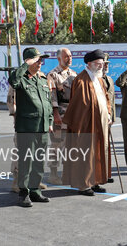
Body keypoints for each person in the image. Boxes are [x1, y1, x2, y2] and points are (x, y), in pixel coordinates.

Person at [9, 48, 54, 207]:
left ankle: (35, 191)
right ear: (29, 61)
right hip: (27, 127)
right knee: (26, 161)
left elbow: (47, 103)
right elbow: (13, 81)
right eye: (37, 60)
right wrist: (24, 65)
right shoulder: (21, 78)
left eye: (41, 60)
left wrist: (49, 121)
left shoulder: (42, 79)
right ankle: (24, 192)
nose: (41, 63)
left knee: (39, 161)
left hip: (42, 127)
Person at [63, 49, 112, 195]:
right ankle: (84, 185)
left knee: (99, 151)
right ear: (89, 63)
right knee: (87, 153)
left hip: (101, 123)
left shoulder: (100, 80)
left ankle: (96, 181)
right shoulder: (81, 80)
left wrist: (108, 113)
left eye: (102, 64)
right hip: (86, 124)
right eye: (98, 64)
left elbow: (106, 99)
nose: (100, 66)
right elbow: (79, 105)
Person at [45, 48, 77, 185]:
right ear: (59, 58)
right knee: (57, 145)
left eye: (70, 56)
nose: (69, 58)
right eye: (66, 56)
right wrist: (55, 113)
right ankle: (53, 174)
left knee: (70, 145)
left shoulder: (73, 74)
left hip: (72, 115)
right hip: (60, 114)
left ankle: (67, 173)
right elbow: (51, 96)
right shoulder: (53, 75)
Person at [102, 53, 116, 183]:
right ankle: (101, 173)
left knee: (107, 147)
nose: (106, 66)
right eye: (104, 64)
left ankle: (107, 173)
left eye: (107, 64)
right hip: (100, 118)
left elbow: (112, 99)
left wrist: (113, 116)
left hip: (109, 117)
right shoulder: (95, 80)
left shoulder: (109, 79)